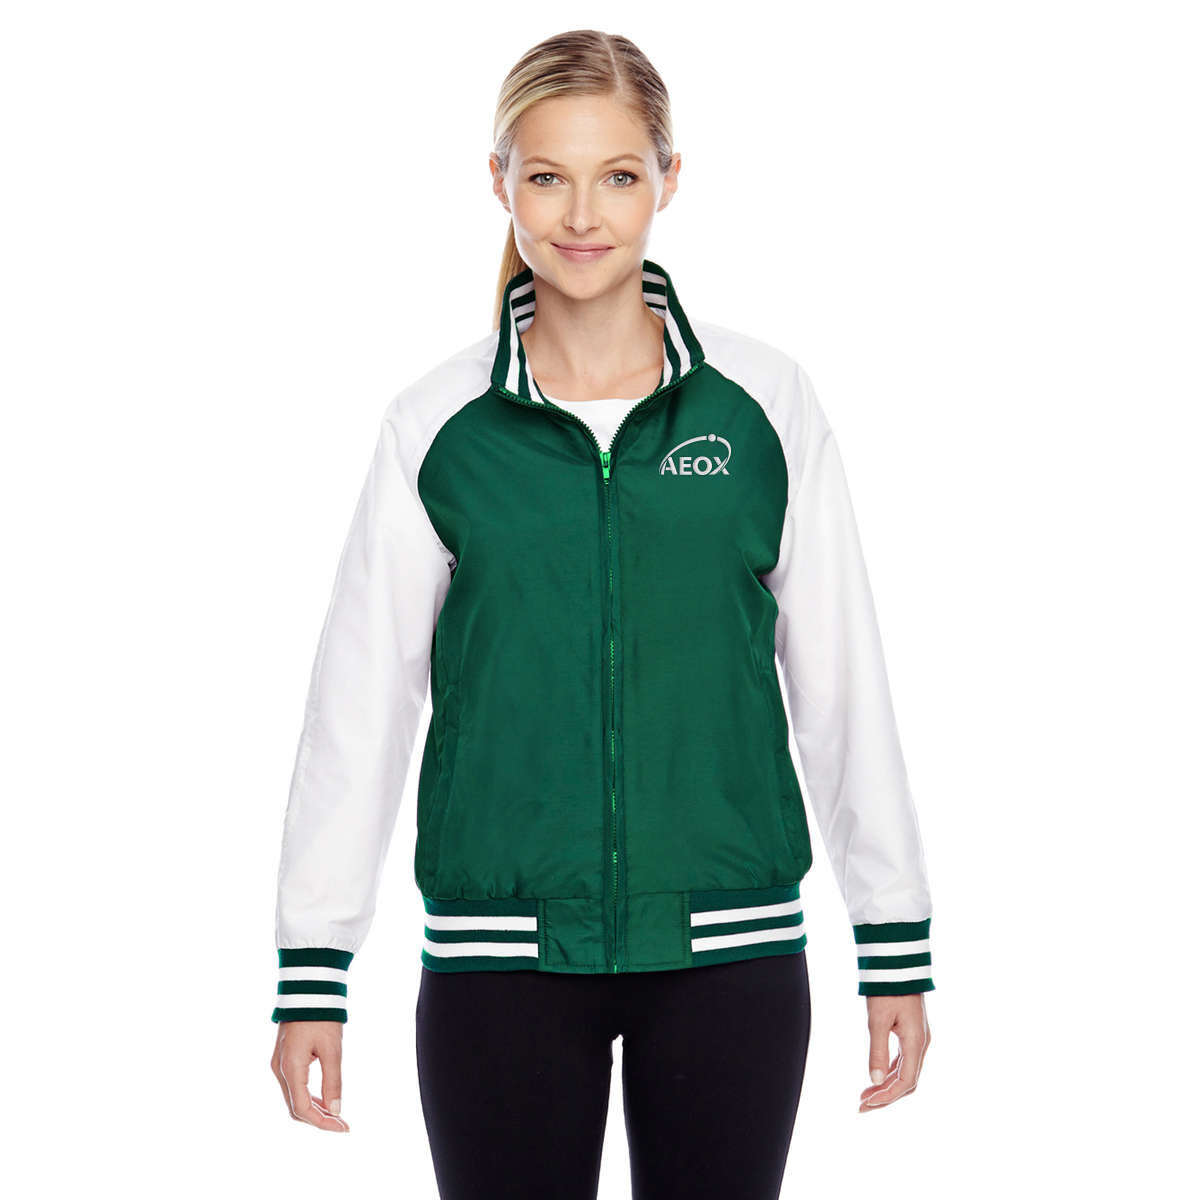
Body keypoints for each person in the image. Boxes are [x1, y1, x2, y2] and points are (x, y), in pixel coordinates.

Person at [269, 27, 934, 1199]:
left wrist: (893, 937)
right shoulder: (436, 426)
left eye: (619, 175)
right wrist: (312, 966)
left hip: (730, 954)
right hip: (498, 965)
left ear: (670, 180)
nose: (582, 215)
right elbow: (358, 709)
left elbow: (842, 683)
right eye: (547, 176)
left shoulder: (763, 406)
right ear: (498, 182)